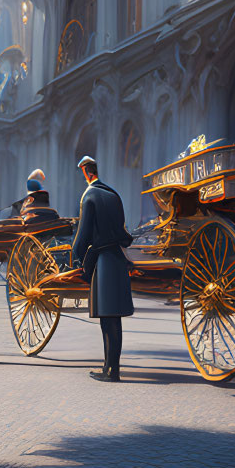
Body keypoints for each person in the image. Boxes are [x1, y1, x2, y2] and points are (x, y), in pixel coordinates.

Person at [71, 155, 134, 381]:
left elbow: (83, 233)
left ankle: (111, 371)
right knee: (113, 318)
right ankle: (111, 368)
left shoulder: (89, 195)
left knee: (107, 319)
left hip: (103, 261)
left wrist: (76, 256)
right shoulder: (114, 194)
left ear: (86, 172)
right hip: (117, 258)